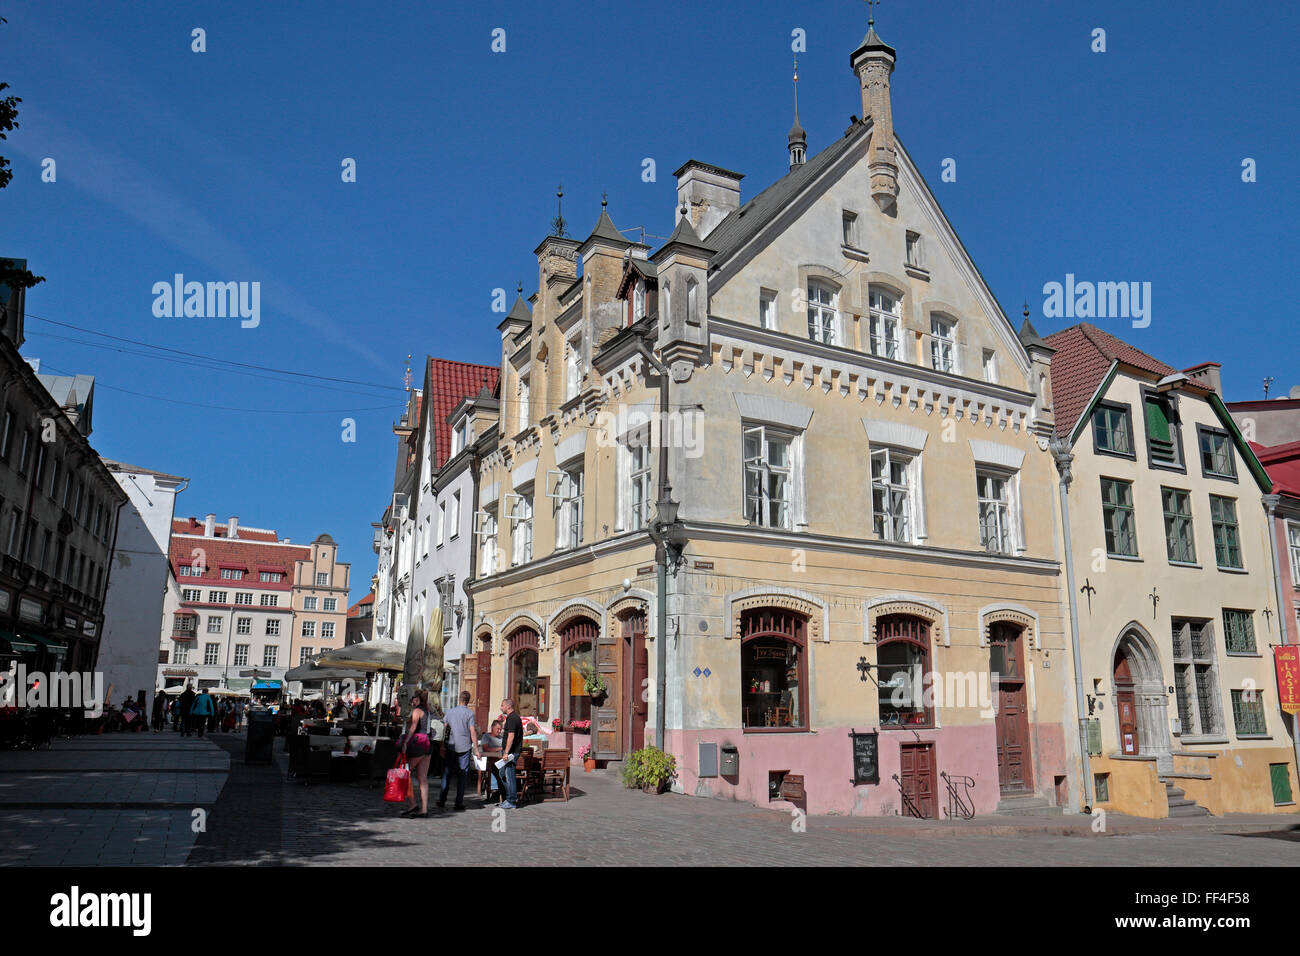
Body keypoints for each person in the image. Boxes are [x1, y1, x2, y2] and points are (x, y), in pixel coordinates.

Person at [438, 691, 479, 812]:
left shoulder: (450, 712)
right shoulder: (469, 713)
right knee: (463, 775)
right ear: (468, 701)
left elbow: (443, 728)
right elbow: (472, 731)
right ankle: (459, 802)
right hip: (465, 746)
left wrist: (441, 745)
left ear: (458, 699)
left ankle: (442, 799)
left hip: (451, 745)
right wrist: (476, 748)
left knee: (447, 773)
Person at [399, 690, 433, 818]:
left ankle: (412, 803)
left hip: (419, 745)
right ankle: (424, 809)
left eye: (413, 698)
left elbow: (413, 727)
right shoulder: (427, 710)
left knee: (405, 771)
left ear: (417, 699)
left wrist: (405, 742)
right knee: (422, 778)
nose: (411, 700)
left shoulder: (417, 711)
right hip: (428, 744)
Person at [498, 698, 524, 809]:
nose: (501, 707)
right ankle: (509, 797)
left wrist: (506, 752)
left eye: (502, 705)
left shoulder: (513, 718)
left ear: (508, 706)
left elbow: (511, 736)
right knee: (502, 773)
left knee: (509, 775)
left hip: (511, 753)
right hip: (509, 752)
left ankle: (512, 800)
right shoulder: (511, 718)